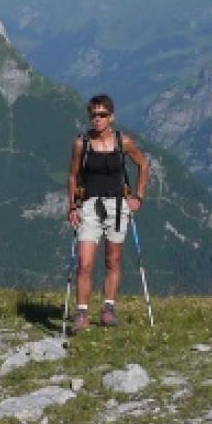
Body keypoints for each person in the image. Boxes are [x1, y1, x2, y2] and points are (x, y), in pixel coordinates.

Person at [66, 93, 149, 330]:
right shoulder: (81, 143)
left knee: (113, 260)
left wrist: (138, 197)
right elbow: (72, 176)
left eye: (102, 115)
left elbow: (143, 164)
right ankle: (82, 313)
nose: (97, 119)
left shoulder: (124, 142)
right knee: (84, 263)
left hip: (118, 206)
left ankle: (108, 309)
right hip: (89, 206)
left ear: (111, 117)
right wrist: (72, 205)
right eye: (93, 115)